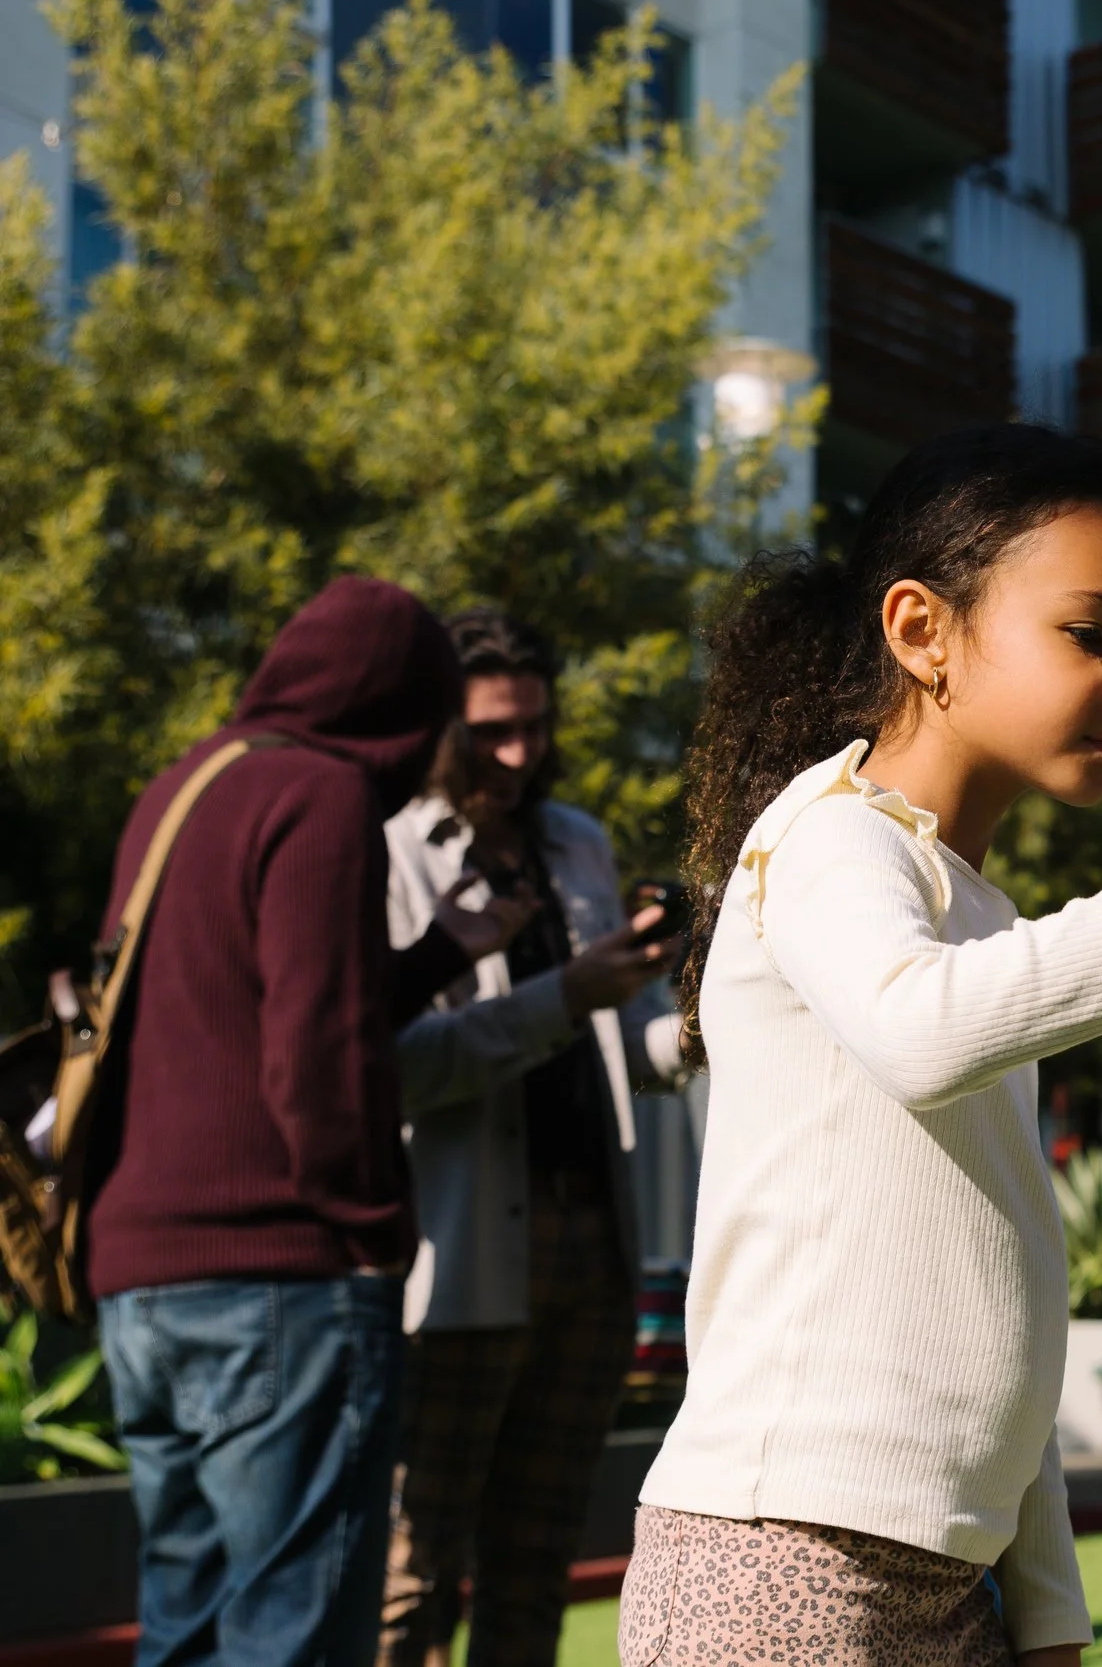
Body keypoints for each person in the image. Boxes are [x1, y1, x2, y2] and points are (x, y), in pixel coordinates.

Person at [619, 426, 1102, 1665]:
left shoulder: (980, 919)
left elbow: (997, 1280)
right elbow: (923, 1033)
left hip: (942, 1572)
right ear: (920, 630)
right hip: (778, 1556)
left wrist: (1046, 1608)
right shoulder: (828, 835)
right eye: (1093, 634)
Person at [86, 576, 512, 1667]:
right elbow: (318, 1050)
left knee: (181, 1633)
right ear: (405, 709)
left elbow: (225, 1006)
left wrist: (436, 954)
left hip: (143, 1283)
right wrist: (374, 1232)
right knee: (294, 1641)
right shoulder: (320, 795)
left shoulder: (181, 787)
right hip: (278, 1279)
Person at [376, 610, 686, 1667]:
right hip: (462, 1253)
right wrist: (565, 996)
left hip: (593, 1244)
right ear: (440, 729)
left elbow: (622, 1044)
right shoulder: (393, 851)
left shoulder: (577, 843)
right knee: (416, 1568)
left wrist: (702, 1022)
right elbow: (395, 1062)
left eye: (535, 728)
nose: (518, 754)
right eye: (491, 733)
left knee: (537, 1560)